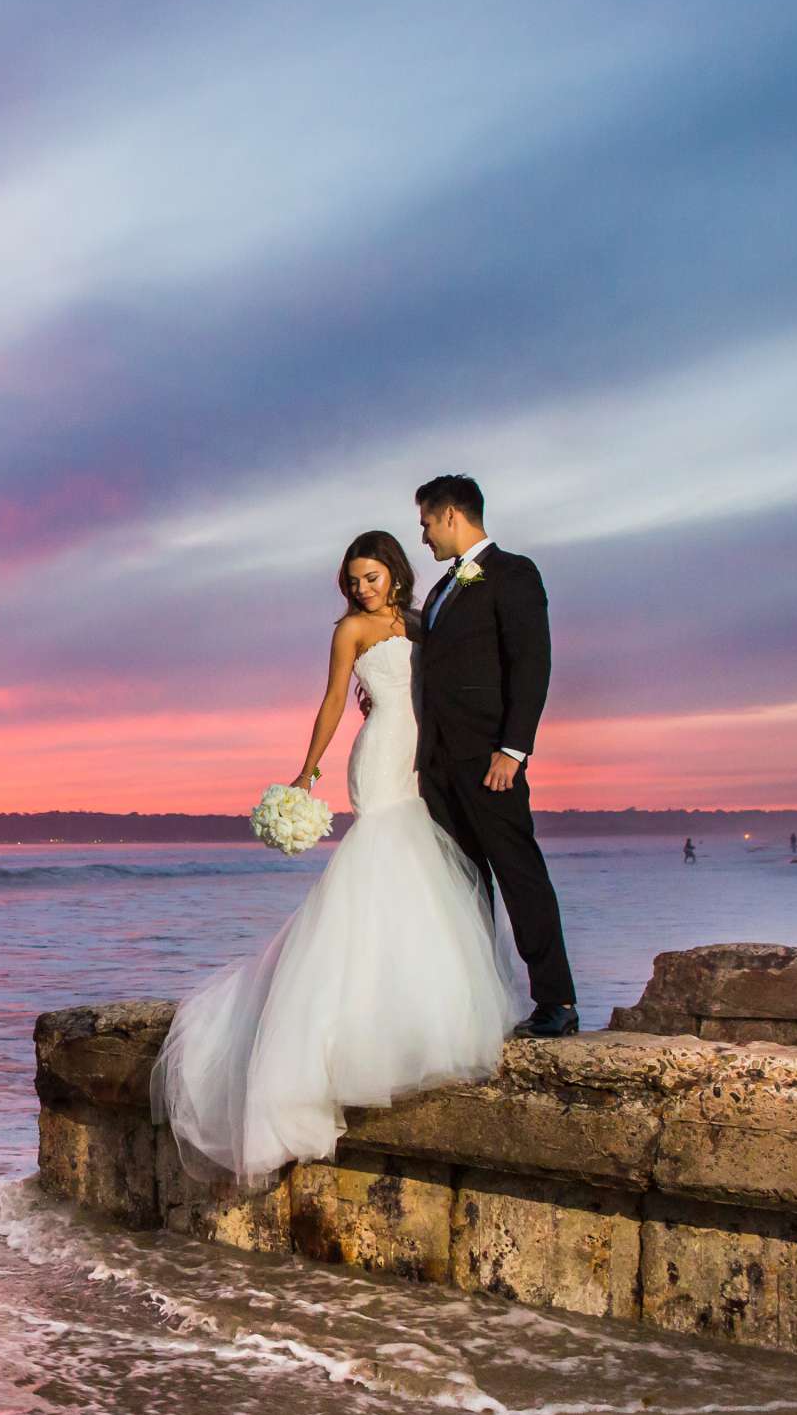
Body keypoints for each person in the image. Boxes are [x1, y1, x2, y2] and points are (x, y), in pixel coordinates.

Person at [151, 529, 527, 1186]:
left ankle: (410, 1003)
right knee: (382, 854)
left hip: (425, 757)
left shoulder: (420, 620)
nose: (361, 588)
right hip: (381, 754)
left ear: (394, 574)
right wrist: (308, 770)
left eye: (370, 576)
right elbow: (332, 700)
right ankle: (341, 1029)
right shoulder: (350, 632)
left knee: (424, 871)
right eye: (352, 579)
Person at [409, 475, 578, 1036]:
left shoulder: (513, 573)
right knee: (463, 883)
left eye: (427, 522)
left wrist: (513, 749)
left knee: (518, 873)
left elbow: (532, 664)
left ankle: (557, 1001)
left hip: (489, 760)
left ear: (452, 515)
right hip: (438, 763)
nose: (425, 536)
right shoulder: (439, 591)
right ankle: (474, 999)